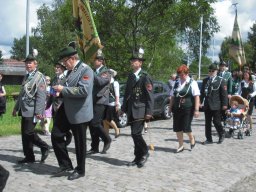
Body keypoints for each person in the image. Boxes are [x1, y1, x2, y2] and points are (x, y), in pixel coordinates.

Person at [51, 46, 94, 180]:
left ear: (73, 58)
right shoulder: (70, 71)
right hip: (67, 108)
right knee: (56, 134)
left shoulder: (86, 70)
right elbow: (67, 89)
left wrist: (63, 89)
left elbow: (83, 91)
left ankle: (80, 170)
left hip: (80, 111)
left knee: (80, 143)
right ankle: (65, 165)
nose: (64, 64)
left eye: (65, 61)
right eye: (63, 61)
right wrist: (58, 92)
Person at [12, 54, 50, 164]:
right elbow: (21, 94)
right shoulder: (27, 76)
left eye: (30, 62)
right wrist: (16, 108)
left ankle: (44, 146)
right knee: (24, 134)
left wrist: (38, 112)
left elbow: (41, 96)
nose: (28, 64)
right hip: (24, 109)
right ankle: (29, 156)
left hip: (33, 110)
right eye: (26, 63)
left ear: (35, 64)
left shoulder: (39, 77)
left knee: (28, 132)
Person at [121, 48, 154, 168]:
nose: (132, 62)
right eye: (132, 60)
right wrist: (123, 109)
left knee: (136, 134)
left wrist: (149, 112)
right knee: (134, 134)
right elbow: (127, 94)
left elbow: (150, 96)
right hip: (131, 109)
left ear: (140, 63)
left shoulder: (145, 77)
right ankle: (137, 157)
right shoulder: (131, 76)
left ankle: (145, 152)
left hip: (141, 109)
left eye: (135, 60)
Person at [169, 64, 200, 153]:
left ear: (187, 73)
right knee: (177, 127)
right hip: (177, 108)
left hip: (188, 108)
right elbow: (172, 96)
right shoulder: (176, 82)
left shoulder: (192, 82)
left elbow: (196, 96)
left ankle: (191, 137)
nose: (181, 76)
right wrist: (170, 108)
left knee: (186, 127)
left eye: (183, 74)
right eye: (180, 74)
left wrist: (197, 110)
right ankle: (181, 145)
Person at [87, 50, 112, 155]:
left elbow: (100, 82)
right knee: (91, 124)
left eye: (97, 59)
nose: (94, 61)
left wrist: (90, 72)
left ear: (101, 61)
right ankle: (94, 147)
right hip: (91, 100)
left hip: (101, 101)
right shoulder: (93, 71)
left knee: (95, 123)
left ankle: (107, 139)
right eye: (94, 59)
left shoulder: (106, 72)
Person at [200, 64, 228, 144]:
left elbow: (224, 94)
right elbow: (202, 93)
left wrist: (225, 104)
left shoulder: (221, 80)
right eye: (210, 71)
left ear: (216, 71)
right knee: (207, 123)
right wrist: (200, 102)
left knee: (216, 122)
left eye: (213, 71)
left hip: (216, 105)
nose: (211, 72)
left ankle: (221, 133)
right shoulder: (205, 80)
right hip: (207, 105)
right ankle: (209, 139)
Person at [46, 61, 72, 145]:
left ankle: (66, 136)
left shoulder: (66, 78)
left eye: (58, 67)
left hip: (62, 105)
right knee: (56, 125)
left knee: (61, 125)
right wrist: (47, 105)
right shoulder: (54, 79)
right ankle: (61, 139)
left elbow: (69, 91)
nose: (56, 68)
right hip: (54, 106)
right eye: (55, 67)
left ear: (62, 69)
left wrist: (60, 93)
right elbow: (52, 94)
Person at [103, 69, 121, 138]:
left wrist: (117, 104)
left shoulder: (115, 83)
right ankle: (106, 136)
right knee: (104, 121)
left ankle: (116, 129)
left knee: (108, 119)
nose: (107, 74)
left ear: (111, 75)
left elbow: (117, 94)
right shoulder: (105, 82)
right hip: (104, 103)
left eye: (108, 73)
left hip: (112, 103)